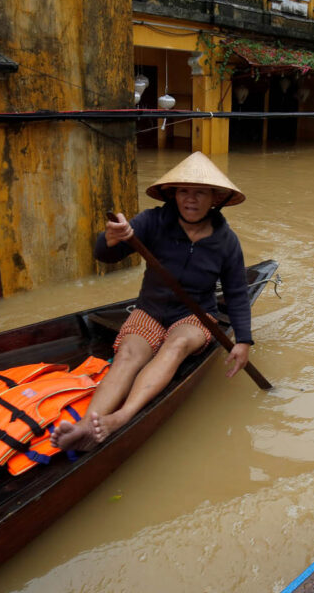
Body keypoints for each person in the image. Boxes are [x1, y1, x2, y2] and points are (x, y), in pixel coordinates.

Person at [51, 152, 252, 451]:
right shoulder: (153, 221)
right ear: (173, 194)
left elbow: (236, 292)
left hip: (195, 316)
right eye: (184, 191)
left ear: (214, 198)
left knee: (176, 345)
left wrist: (243, 341)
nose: (191, 199)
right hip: (152, 309)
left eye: (200, 192)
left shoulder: (226, 241)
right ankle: (84, 429)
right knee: (129, 355)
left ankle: (119, 419)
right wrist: (112, 237)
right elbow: (106, 256)